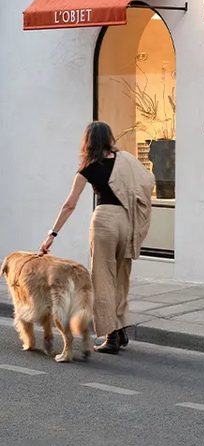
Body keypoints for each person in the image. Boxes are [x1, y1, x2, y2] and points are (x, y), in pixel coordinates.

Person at [40, 121, 155, 354]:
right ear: (109, 138)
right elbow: (148, 181)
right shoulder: (126, 160)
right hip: (127, 220)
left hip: (104, 223)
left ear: (88, 141)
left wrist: (52, 234)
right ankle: (120, 329)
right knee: (121, 277)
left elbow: (69, 205)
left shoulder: (88, 167)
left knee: (103, 277)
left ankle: (111, 337)